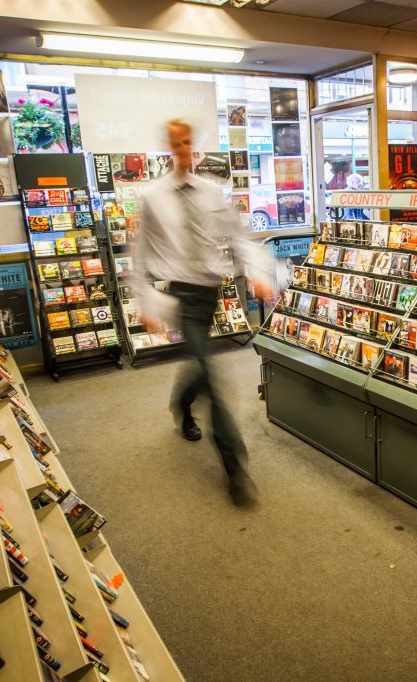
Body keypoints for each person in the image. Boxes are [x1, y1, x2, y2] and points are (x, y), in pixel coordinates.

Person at [135, 119, 271, 508]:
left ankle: (180, 405)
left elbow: (238, 238)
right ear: (168, 147)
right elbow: (142, 253)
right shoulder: (154, 196)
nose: (183, 149)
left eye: (188, 142)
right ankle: (235, 469)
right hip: (182, 298)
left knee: (198, 363)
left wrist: (258, 274)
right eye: (176, 143)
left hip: (211, 292)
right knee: (212, 376)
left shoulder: (212, 192)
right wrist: (145, 301)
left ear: (193, 145)